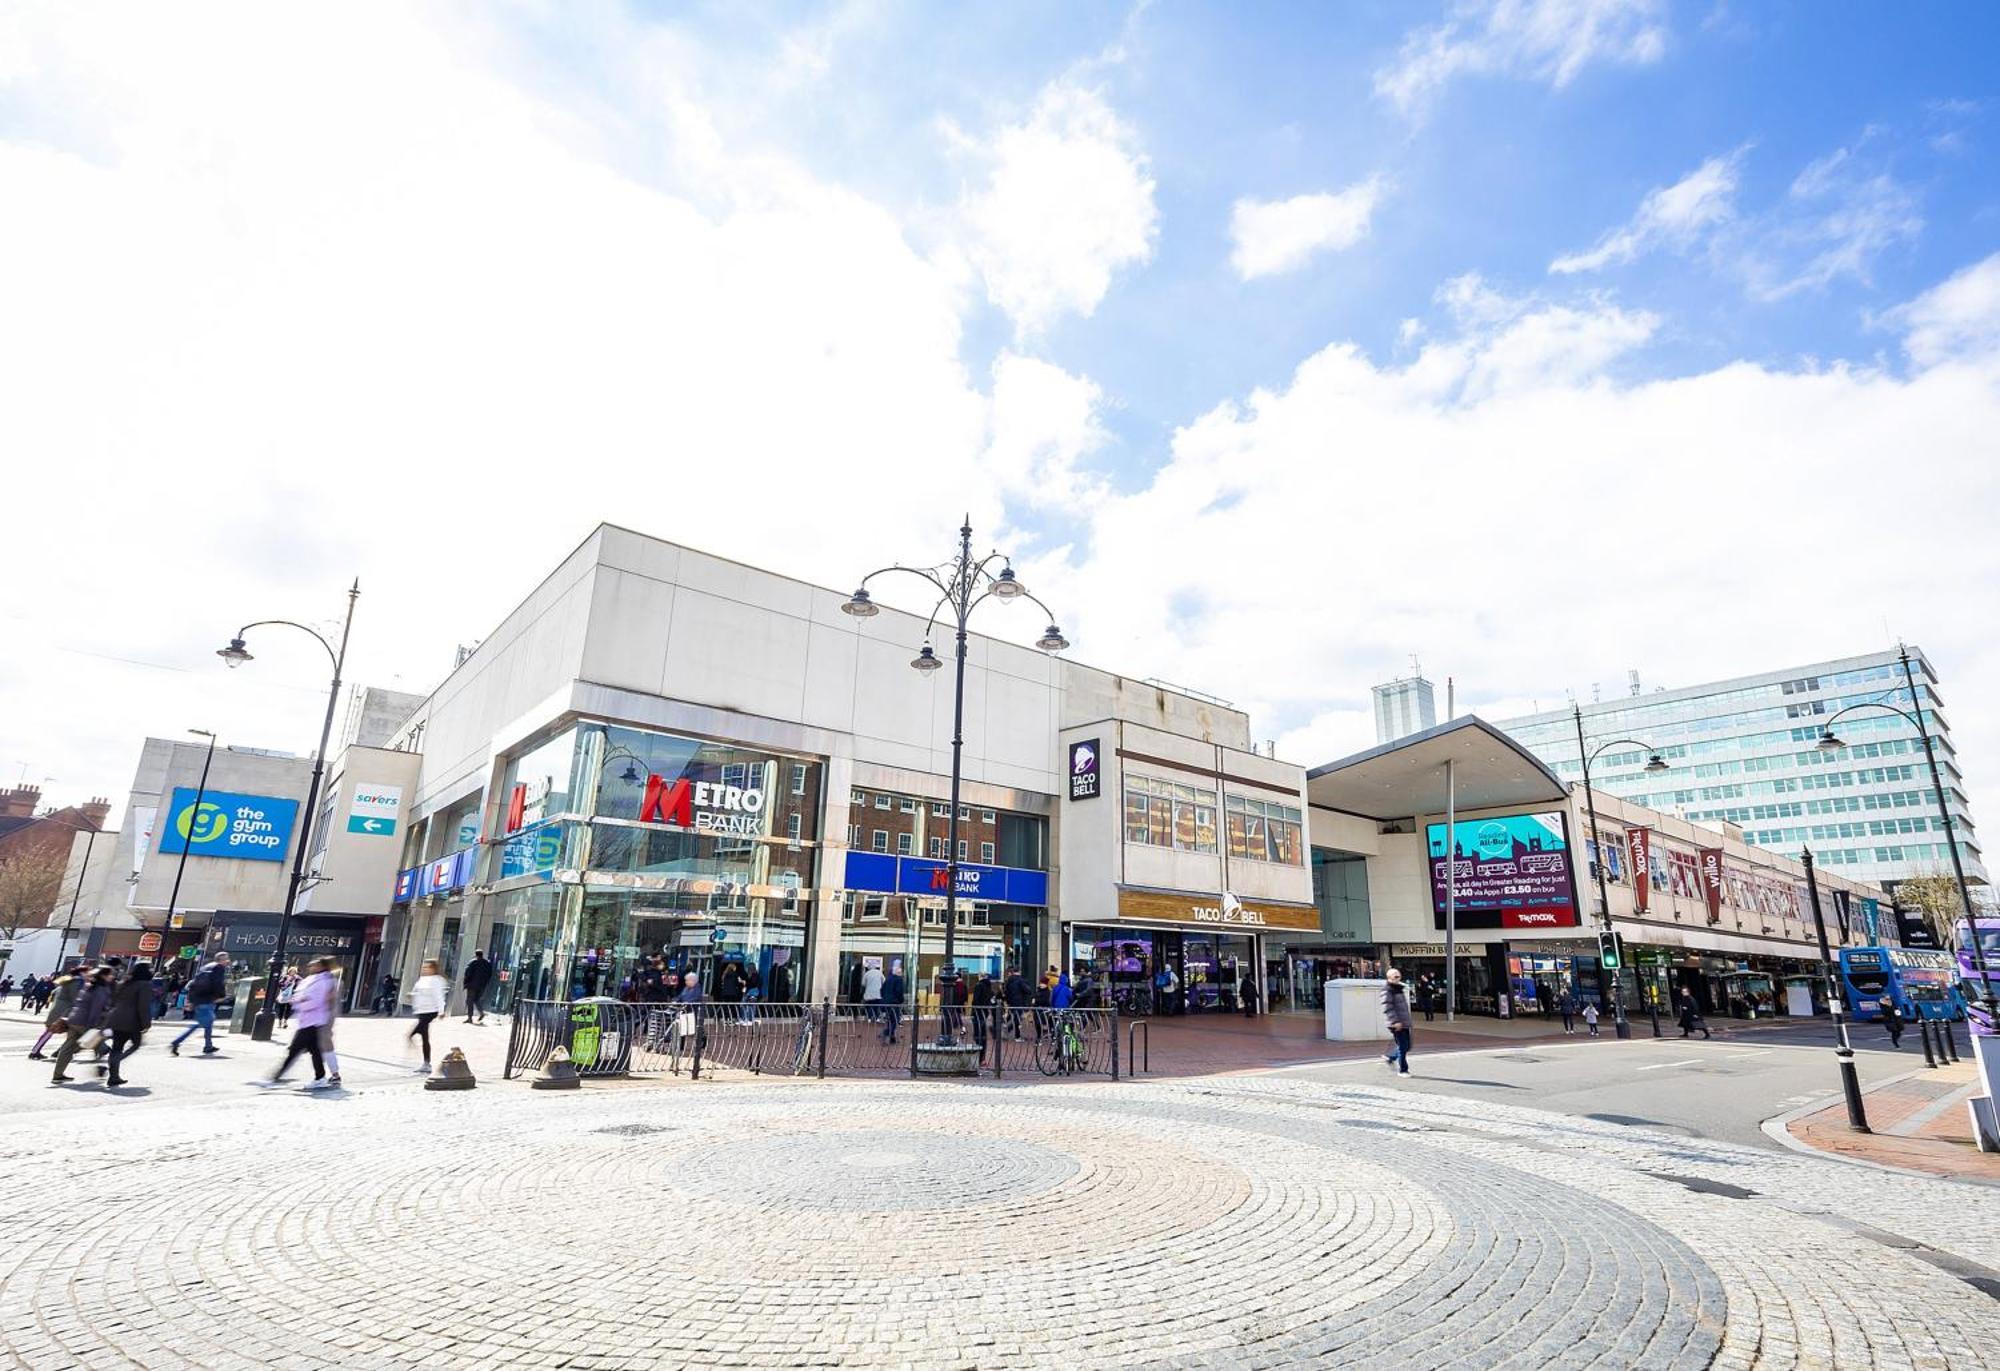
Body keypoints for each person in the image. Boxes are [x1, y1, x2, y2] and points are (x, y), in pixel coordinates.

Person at [269, 958, 341, 1090]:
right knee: (315, 1051)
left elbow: (318, 1001)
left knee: (297, 1050)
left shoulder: (325, 981)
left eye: (314, 965)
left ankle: (275, 1078)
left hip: (315, 1020)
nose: (310, 967)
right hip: (312, 1020)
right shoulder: (315, 979)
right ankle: (321, 1077)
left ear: (321, 966)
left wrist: (299, 1003)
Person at [50, 966, 116, 1083]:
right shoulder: (100, 989)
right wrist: (93, 1026)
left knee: (68, 1047)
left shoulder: (88, 985)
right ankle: (104, 1070)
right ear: (103, 976)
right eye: (110, 974)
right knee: (101, 1047)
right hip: (86, 1022)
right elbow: (96, 1009)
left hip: (74, 1019)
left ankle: (58, 1074)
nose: (112, 976)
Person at [104, 961, 154, 1088]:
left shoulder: (124, 983)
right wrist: (146, 1023)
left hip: (116, 1017)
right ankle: (113, 1066)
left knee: (117, 1047)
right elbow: (143, 1006)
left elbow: (114, 999)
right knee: (136, 1044)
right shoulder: (145, 985)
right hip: (132, 1020)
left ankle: (113, 1075)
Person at [171, 952, 231, 1057]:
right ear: (220, 960)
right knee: (202, 1022)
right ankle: (177, 1041)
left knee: (208, 1023)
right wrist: (222, 996)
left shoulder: (205, 967)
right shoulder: (218, 968)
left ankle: (208, 1045)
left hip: (199, 998)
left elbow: (194, 983)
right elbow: (218, 983)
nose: (228, 961)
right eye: (226, 959)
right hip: (207, 999)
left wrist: (191, 1000)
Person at [29, 964, 88, 1060]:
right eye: (87, 972)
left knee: (54, 1032)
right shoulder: (77, 981)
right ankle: (36, 1051)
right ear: (82, 972)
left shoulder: (68, 980)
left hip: (59, 1010)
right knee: (52, 1031)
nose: (88, 975)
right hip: (62, 1012)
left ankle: (41, 1051)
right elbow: (75, 998)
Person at [408, 959, 448, 1074]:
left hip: (431, 1011)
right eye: (424, 967)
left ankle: (412, 1046)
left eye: (428, 967)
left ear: (434, 968)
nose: (425, 969)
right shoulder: (422, 980)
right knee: (425, 1037)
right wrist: (412, 996)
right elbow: (417, 992)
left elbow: (438, 996)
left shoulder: (436, 981)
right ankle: (426, 1063)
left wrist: (441, 1011)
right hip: (421, 1011)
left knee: (411, 1034)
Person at [1381, 968, 1412, 1075]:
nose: (1398, 978)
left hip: (1404, 1022)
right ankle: (1403, 1070)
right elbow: (1387, 1007)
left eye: (1399, 976)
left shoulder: (1399, 988)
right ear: (1389, 978)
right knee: (1403, 1046)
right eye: (1395, 976)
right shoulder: (1388, 990)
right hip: (1396, 1023)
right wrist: (1395, 1021)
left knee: (1407, 1046)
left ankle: (1390, 1057)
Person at [461, 950, 494, 1025]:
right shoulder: (487, 963)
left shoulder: (473, 962)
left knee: (470, 1001)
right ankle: (481, 1012)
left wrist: (465, 983)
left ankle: (470, 1018)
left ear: (476, 954)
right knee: (476, 999)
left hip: (472, 985)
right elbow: (490, 974)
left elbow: (467, 973)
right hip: (482, 986)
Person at [971, 973, 996, 1060]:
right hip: (984, 1012)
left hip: (978, 1012)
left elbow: (975, 1000)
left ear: (980, 977)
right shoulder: (989, 987)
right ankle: (982, 1057)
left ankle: (978, 1057)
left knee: (978, 1035)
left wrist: (973, 1011)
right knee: (983, 1035)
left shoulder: (979, 986)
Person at [878, 963, 905, 1044]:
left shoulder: (888, 979)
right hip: (894, 1003)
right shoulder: (899, 980)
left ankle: (892, 1038)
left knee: (890, 1020)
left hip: (886, 1002)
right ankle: (886, 1032)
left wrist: (884, 999)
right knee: (895, 1020)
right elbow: (899, 992)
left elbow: (882, 990)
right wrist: (900, 1000)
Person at [1002, 965, 1031, 1039]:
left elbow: (1006, 991)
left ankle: (1008, 1029)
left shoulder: (1009, 980)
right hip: (1019, 1002)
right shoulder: (1020, 980)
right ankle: (1015, 1034)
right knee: (1017, 1018)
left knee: (1015, 1017)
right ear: (1019, 971)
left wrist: (1008, 1000)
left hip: (1011, 1002)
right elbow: (1027, 990)